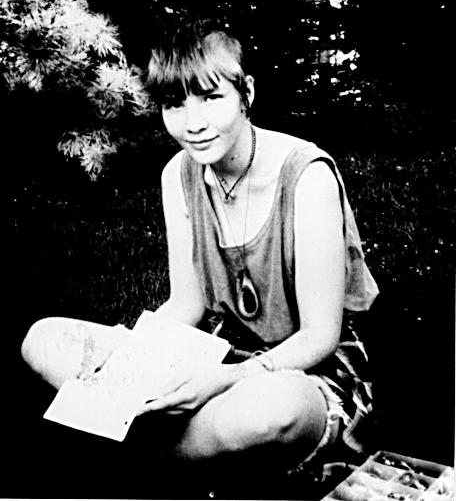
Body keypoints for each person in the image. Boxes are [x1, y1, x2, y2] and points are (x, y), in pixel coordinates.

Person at [21, 27, 379, 492]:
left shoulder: (307, 178)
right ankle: (171, 431)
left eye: (211, 98)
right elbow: (187, 305)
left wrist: (226, 379)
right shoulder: (179, 174)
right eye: (175, 104)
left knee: (269, 410)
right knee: (45, 339)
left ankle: (145, 454)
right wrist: (131, 361)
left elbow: (320, 336)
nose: (194, 123)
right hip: (216, 347)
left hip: (302, 368)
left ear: (247, 93)